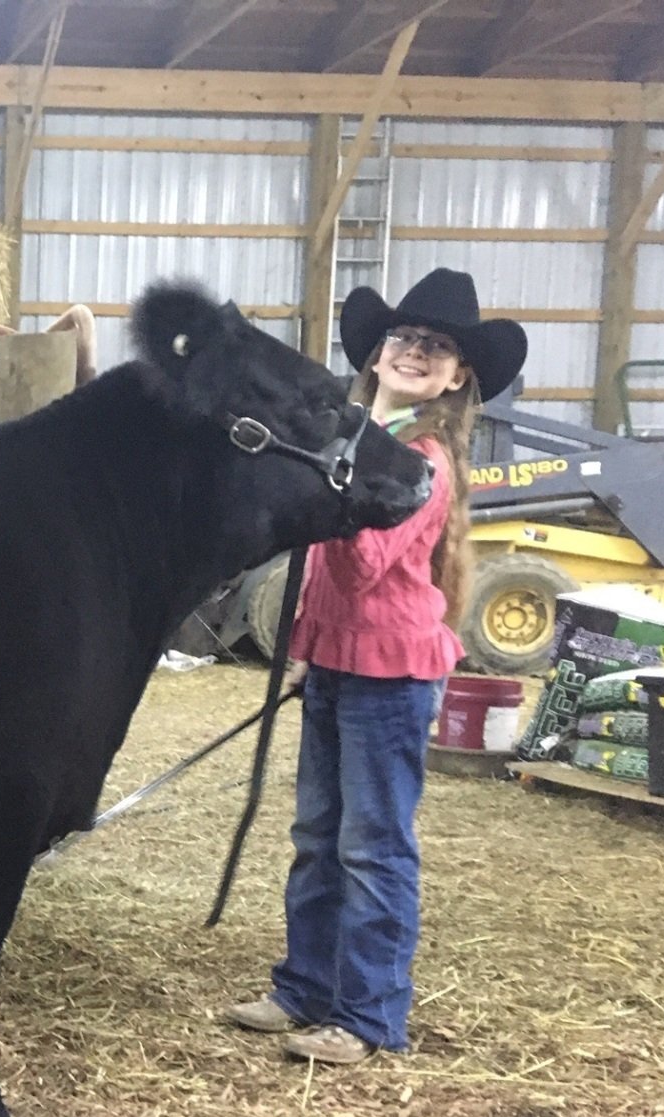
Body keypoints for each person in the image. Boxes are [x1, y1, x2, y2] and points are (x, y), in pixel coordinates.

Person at [227, 268, 527, 1064]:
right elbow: (321, 582)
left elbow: (361, 566)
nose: (415, 352)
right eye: (404, 338)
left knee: (373, 844)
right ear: (378, 354)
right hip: (334, 663)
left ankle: (367, 1016)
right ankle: (303, 990)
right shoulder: (358, 439)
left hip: (392, 676)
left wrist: (326, 494)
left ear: (458, 376)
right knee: (316, 834)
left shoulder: (421, 461)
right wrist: (299, 652)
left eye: (437, 347)